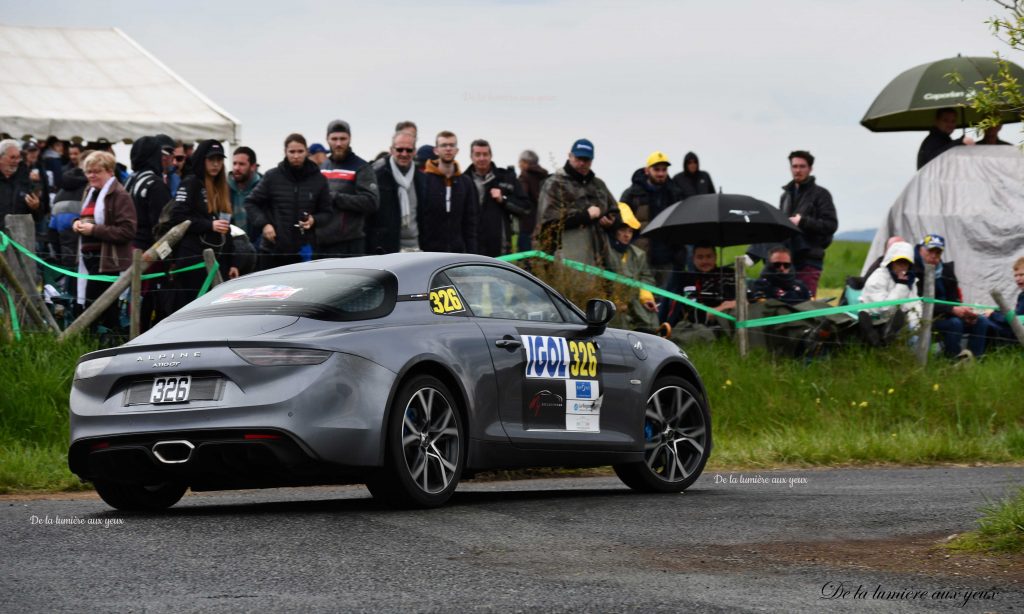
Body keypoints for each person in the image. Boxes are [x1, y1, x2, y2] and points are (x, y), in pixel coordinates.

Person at [164, 140, 238, 315]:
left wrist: (233, 262)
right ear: (201, 160)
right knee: (191, 310)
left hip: (217, 259)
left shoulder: (223, 187)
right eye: (211, 159)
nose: (215, 164)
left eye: (219, 160)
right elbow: (177, 217)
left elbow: (227, 228)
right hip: (192, 258)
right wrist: (209, 225)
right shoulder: (191, 182)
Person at [245, 133, 332, 270]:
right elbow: (250, 202)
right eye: (292, 152)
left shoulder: (319, 179)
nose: (296, 156)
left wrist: (313, 220)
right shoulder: (272, 176)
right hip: (272, 250)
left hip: (304, 251)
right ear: (285, 152)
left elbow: (327, 212)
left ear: (307, 152)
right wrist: (265, 224)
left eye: (300, 151)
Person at [71, 151, 137, 331]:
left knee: (96, 308)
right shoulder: (91, 192)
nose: (91, 175)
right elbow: (85, 217)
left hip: (108, 261)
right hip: (89, 258)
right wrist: (76, 223)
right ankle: (105, 344)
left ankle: (89, 343)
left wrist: (94, 230)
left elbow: (128, 230)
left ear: (109, 171)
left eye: (96, 171)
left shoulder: (120, 195)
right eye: (88, 172)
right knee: (104, 309)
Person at [536, 138, 617, 267]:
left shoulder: (599, 185)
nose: (582, 163)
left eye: (586, 160)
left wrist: (610, 220)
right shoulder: (554, 184)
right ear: (569, 156)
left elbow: (614, 210)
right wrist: (586, 216)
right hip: (565, 259)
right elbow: (548, 225)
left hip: (599, 259)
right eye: (578, 158)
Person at [913, 233, 992, 359]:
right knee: (954, 323)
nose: (934, 256)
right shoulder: (914, 271)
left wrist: (965, 312)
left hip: (948, 315)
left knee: (980, 321)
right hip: (925, 318)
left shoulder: (946, 270)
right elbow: (921, 303)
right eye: (930, 251)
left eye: (938, 253)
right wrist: (952, 310)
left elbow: (954, 299)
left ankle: (975, 358)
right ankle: (952, 359)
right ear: (921, 249)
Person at [619, 150, 685, 282]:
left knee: (667, 299)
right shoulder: (632, 194)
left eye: (664, 169)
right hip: (641, 257)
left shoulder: (675, 193)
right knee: (643, 298)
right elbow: (621, 221)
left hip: (668, 258)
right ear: (647, 170)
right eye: (656, 169)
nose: (661, 173)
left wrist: (679, 254)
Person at [778, 150, 837, 297]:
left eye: (802, 166)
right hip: (787, 261)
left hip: (809, 259)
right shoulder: (785, 196)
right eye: (795, 166)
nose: (798, 170)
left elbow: (831, 225)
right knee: (784, 304)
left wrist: (803, 221)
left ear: (810, 169)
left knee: (805, 305)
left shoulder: (821, 194)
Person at [319, 119, 379, 257]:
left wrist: (336, 197)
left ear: (349, 139)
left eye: (342, 139)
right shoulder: (322, 167)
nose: (338, 143)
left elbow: (371, 202)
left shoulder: (362, 167)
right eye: (334, 139)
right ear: (327, 139)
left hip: (349, 244)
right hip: (322, 243)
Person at [600, 203, 659, 332]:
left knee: (650, 313)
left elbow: (646, 277)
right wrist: (616, 300)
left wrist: (646, 298)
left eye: (630, 231)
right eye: (622, 230)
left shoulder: (638, 254)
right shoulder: (604, 249)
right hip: (610, 300)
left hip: (635, 300)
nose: (627, 235)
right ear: (614, 230)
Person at [468, 139, 531, 257]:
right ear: (471, 156)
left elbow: (525, 208)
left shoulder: (506, 178)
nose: (482, 158)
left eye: (485, 154)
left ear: (491, 156)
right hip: (471, 245)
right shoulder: (463, 180)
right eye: (477, 154)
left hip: (500, 246)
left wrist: (504, 200)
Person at [419, 131, 478, 253]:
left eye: (452, 145)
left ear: (457, 150)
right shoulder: (424, 180)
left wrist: (471, 252)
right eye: (444, 145)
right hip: (429, 251)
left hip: (458, 251)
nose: (448, 149)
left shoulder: (465, 182)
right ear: (436, 150)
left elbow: (470, 221)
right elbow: (420, 218)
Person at [368, 131, 425, 254]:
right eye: (400, 149)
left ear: (414, 151)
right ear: (391, 150)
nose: (404, 154)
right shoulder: (378, 175)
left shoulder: (421, 178)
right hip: (387, 249)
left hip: (416, 247)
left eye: (409, 150)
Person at [661, 245, 736, 330]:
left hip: (731, 317)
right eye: (700, 257)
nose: (705, 261)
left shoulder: (729, 274)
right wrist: (717, 310)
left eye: (709, 256)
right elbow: (690, 311)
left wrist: (721, 308)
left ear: (715, 257)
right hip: (700, 327)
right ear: (693, 259)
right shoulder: (686, 279)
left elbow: (747, 298)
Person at [859, 240, 921, 333]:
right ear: (891, 262)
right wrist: (901, 285)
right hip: (876, 319)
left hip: (900, 322)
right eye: (899, 262)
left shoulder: (911, 280)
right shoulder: (877, 278)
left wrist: (917, 324)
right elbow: (884, 308)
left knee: (916, 328)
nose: (902, 266)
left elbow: (914, 305)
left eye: (905, 263)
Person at [125, 136, 173, 251]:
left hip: (126, 248)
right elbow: (162, 225)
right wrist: (167, 256)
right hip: (148, 252)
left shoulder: (128, 180)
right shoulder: (155, 184)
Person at [0, 138, 44, 233]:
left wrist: (36, 207)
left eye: (18, 157)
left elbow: (39, 216)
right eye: (12, 157)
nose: (16, 161)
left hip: (20, 238)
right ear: (0, 158)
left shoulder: (26, 181)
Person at [516, 150, 548, 253]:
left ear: (525, 162)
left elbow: (521, 200)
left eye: (520, 162)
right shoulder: (545, 177)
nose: (519, 164)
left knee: (525, 260)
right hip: (544, 223)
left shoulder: (524, 177)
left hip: (527, 224)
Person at [228, 146, 262, 242]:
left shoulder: (263, 187)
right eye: (234, 163)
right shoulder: (224, 188)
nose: (236, 168)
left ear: (253, 166)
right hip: (231, 247)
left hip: (257, 247)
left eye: (241, 164)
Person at [988, 256, 1024, 345]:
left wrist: (992, 314)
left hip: (1019, 335)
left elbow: (1016, 320)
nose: (1018, 278)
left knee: (986, 323)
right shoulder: (1021, 295)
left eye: (1021, 275)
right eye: (1015, 275)